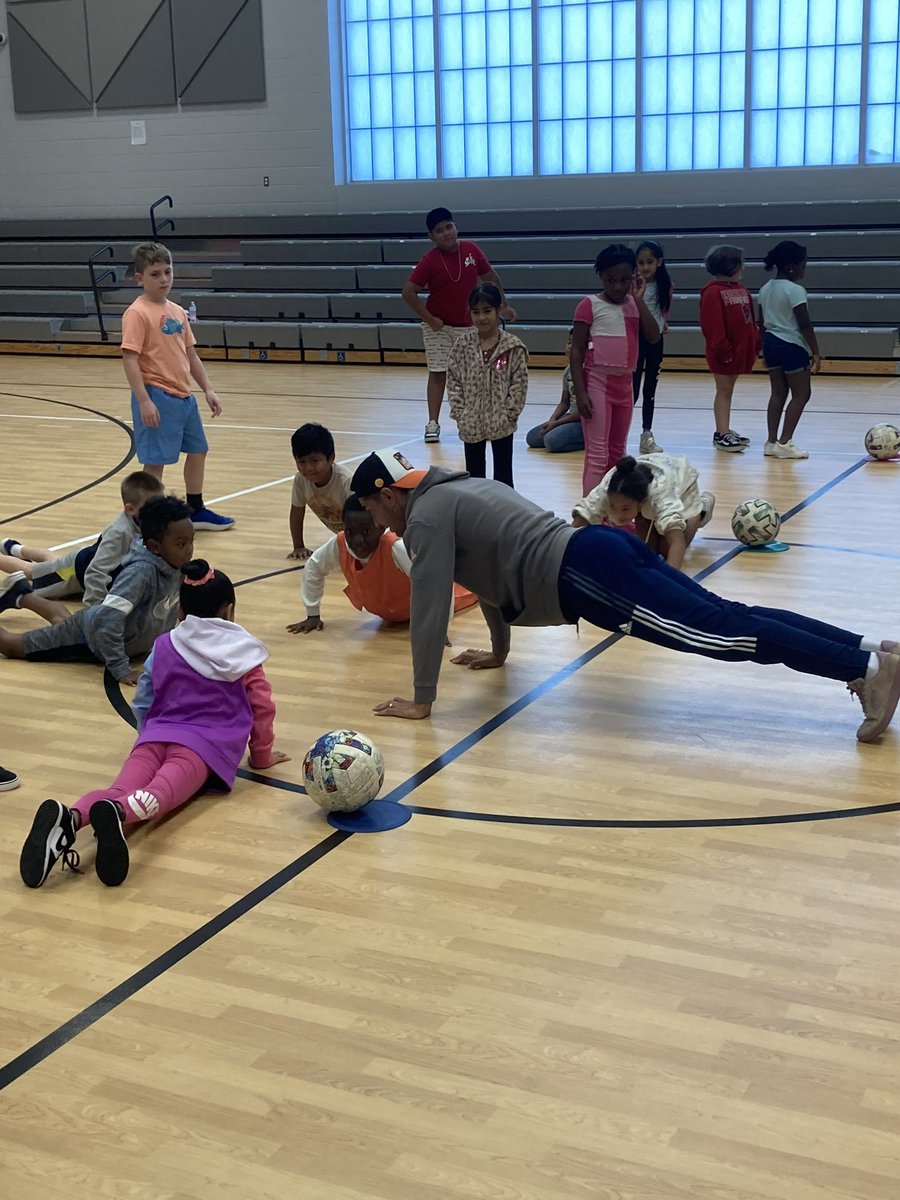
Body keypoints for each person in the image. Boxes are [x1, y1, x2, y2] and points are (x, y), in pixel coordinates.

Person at [349, 449, 900, 746]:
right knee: (731, 615)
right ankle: (873, 651)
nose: (377, 520)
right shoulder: (458, 488)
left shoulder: (425, 515)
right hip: (601, 547)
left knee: (725, 635)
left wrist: (423, 697)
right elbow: (491, 572)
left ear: (389, 495)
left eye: (374, 509)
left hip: (586, 575)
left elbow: (429, 599)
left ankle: (865, 669)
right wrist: (501, 651)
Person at [18, 559, 289, 889]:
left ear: (180, 611)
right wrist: (261, 757)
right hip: (201, 750)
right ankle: (117, 813)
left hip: (154, 735)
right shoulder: (242, 653)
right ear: (229, 610)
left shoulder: (166, 645)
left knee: (119, 788)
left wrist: (147, 736)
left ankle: (72, 816)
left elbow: (144, 698)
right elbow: (262, 707)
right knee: (161, 792)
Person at [0, 496, 194, 685]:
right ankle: (22, 595)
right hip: (90, 640)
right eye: (181, 544)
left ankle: (21, 594)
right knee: (10, 645)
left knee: (68, 625)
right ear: (154, 546)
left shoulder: (176, 565)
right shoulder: (141, 573)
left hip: (95, 629)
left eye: (191, 541)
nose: (189, 550)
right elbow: (107, 620)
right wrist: (120, 668)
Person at [122, 242, 233, 530]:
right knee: (156, 463)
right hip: (157, 395)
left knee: (198, 451)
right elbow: (130, 359)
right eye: (155, 274)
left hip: (184, 397)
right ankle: (146, 520)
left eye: (167, 272)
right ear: (140, 278)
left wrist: (207, 389)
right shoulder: (137, 313)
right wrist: (144, 400)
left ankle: (195, 509)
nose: (163, 279)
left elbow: (190, 354)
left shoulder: (177, 311)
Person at [401, 207, 516, 444]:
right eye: (439, 231)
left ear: (456, 227)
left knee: (475, 374)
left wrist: (502, 305)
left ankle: (476, 417)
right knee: (438, 373)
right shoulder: (429, 260)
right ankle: (432, 422)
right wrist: (430, 319)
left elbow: (491, 277)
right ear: (431, 236)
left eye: (449, 227)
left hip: (471, 326)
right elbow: (408, 292)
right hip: (439, 328)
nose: (446, 233)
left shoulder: (471, 249)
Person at [287, 495, 477, 634]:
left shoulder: (396, 548)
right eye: (350, 531)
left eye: (366, 531)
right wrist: (312, 613)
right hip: (394, 615)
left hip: (459, 590)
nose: (358, 540)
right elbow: (313, 566)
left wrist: (441, 629)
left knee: (475, 583)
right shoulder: (339, 543)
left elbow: (437, 583)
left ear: (381, 525)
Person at [0, 471, 165, 623]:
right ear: (130, 509)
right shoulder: (120, 533)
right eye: (151, 506)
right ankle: (9, 552)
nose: (159, 511)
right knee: (31, 571)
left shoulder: (148, 521)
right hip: (75, 572)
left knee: (51, 561)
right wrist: (95, 611)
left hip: (83, 558)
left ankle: (14, 548)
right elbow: (96, 573)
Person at [570, 244, 661, 494]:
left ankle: (615, 512)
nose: (618, 286)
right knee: (597, 455)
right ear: (601, 277)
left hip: (625, 385)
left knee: (617, 453)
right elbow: (576, 351)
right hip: (597, 383)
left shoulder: (634, 305)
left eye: (624, 279)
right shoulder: (588, 305)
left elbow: (653, 337)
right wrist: (580, 392)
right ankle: (591, 514)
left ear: (634, 277)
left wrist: (639, 301)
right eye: (611, 280)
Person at [572, 453, 715, 572]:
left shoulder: (661, 497)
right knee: (647, 553)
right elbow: (581, 518)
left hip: (681, 481)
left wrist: (670, 582)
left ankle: (701, 508)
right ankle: (644, 516)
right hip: (647, 481)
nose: (618, 515)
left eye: (625, 508)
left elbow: (677, 542)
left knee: (666, 550)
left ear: (642, 502)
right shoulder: (606, 491)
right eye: (613, 507)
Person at [446, 284, 529, 488]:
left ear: (498, 310)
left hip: (502, 423)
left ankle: (504, 515)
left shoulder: (512, 347)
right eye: (476, 312)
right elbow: (453, 379)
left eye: (487, 311)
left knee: (503, 477)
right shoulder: (462, 346)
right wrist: (460, 413)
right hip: (471, 422)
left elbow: (519, 383)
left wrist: (510, 413)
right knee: (474, 478)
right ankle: (477, 515)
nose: (482, 317)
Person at [758, 240, 821, 460]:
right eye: (803, 264)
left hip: (770, 343)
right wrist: (815, 351)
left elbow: (761, 322)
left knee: (778, 392)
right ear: (792, 266)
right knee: (802, 393)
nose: (805, 269)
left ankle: (771, 441)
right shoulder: (795, 290)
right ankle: (785, 442)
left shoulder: (765, 288)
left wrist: (761, 348)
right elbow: (805, 323)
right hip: (791, 345)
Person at [699, 245, 759, 453]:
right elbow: (712, 326)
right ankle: (721, 433)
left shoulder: (741, 290)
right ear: (731, 265)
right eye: (740, 263)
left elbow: (750, 320)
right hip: (723, 353)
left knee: (728, 390)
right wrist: (723, 349)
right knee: (723, 390)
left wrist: (755, 343)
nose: (743, 267)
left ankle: (724, 429)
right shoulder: (712, 292)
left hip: (739, 352)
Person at [286, 423, 353, 560]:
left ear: (331, 458)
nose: (309, 468)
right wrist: (298, 546)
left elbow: (363, 518)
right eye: (302, 462)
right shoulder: (301, 480)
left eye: (315, 460)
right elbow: (297, 512)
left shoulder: (347, 481)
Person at [632, 240, 673, 455]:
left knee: (650, 389)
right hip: (635, 340)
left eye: (649, 262)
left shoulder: (665, 284)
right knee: (633, 388)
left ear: (659, 262)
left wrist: (662, 322)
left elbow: (663, 308)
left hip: (655, 341)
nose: (645, 267)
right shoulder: (633, 285)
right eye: (641, 262)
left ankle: (646, 435)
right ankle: (617, 432)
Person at [525, 328, 585, 454]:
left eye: (575, 344)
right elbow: (564, 402)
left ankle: (586, 441)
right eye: (569, 342)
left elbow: (582, 412)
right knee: (532, 438)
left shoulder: (588, 371)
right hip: (570, 417)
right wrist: (552, 420)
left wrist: (557, 423)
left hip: (584, 422)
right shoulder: (568, 370)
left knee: (551, 441)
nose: (570, 347)